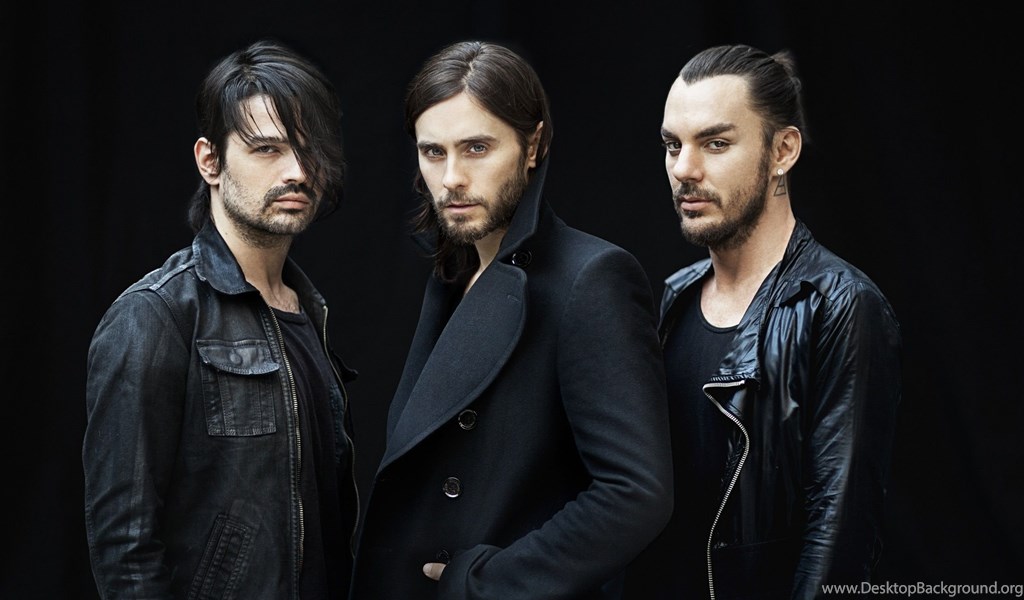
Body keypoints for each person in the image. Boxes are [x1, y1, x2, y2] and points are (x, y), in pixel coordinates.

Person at [349, 40, 673, 599]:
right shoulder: (453, 276)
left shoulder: (590, 278)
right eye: (433, 152)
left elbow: (636, 492)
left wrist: (486, 583)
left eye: (476, 148)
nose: (451, 177)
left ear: (533, 145)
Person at [622, 44, 903, 600]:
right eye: (673, 145)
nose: (684, 169)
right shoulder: (676, 295)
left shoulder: (839, 306)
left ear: (783, 150)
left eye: (716, 143)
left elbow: (838, 536)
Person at [83, 39, 358, 599]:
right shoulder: (155, 315)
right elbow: (124, 549)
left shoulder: (308, 309)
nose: (298, 172)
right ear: (210, 160)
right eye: (267, 149)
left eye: (309, 151)